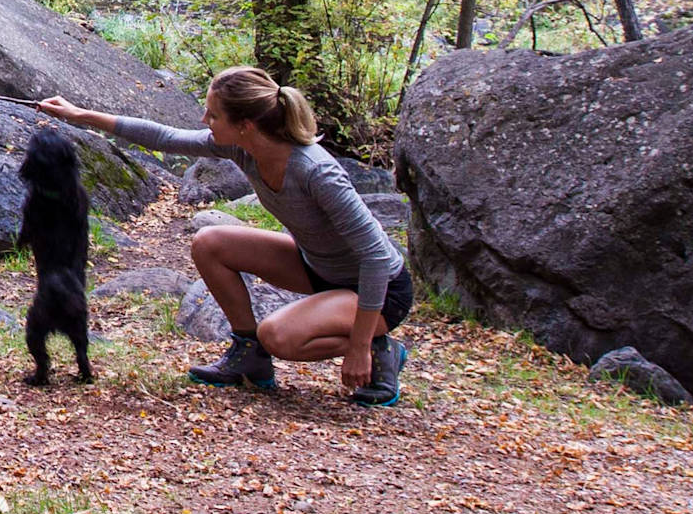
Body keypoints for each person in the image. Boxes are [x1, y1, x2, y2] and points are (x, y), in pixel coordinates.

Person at [36, 67, 412, 403]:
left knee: (278, 336)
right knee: (210, 243)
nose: (205, 120)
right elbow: (165, 137)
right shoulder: (242, 149)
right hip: (318, 268)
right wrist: (80, 114)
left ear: (245, 124)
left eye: (213, 115)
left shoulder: (316, 172)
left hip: (379, 291)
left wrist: (359, 345)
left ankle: (380, 349)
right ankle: (249, 356)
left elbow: (375, 257)